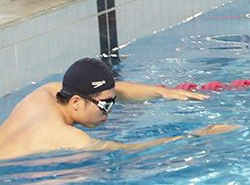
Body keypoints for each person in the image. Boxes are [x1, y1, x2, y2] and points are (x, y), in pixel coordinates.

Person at [0, 58, 236, 160]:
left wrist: (162, 92)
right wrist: (195, 136)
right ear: (75, 103)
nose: (109, 112)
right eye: (105, 106)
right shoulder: (67, 137)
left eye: (112, 103)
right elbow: (127, 149)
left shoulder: (43, 95)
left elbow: (116, 89)